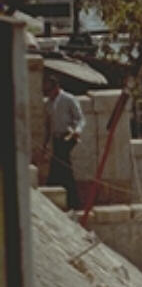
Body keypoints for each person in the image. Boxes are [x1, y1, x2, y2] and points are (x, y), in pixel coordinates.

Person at [42, 72, 84, 210]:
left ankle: (70, 201)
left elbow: (80, 118)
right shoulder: (48, 104)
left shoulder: (68, 99)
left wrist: (77, 130)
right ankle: (71, 202)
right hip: (56, 138)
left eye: (49, 90)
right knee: (62, 168)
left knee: (61, 165)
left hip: (68, 136)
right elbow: (48, 125)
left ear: (56, 88)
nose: (48, 94)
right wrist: (45, 143)